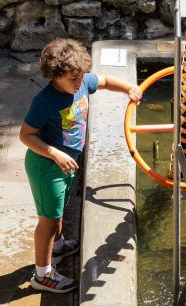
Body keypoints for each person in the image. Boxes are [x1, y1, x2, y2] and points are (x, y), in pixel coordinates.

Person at [19, 38, 142, 293]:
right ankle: (42, 275)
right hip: (46, 167)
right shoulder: (45, 101)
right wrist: (55, 154)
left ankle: (57, 246)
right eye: (73, 78)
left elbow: (105, 80)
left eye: (81, 76)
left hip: (64, 164)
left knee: (59, 209)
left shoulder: (83, 82)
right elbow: (26, 135)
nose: (79, 82)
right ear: (55, 76)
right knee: (48, 221)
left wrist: (129, 88)